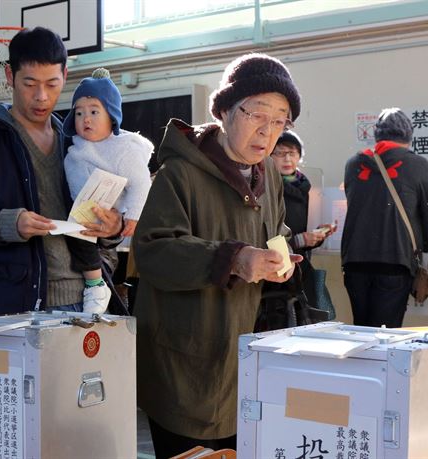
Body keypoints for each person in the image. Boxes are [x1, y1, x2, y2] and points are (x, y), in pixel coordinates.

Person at [133, 53, 303, 457]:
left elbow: (276, 229)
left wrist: (279, 258)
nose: (268, 132)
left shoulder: (269, 177)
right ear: (225, 110)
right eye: (257, 115)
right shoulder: (181, 173)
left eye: (280, 121)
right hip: (185, 364)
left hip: (243, 362)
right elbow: (153, 249)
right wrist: (235, 259)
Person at [0, 27, 123, 318]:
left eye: (52, 83)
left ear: (65, 75)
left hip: (84, 301)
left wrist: (112, 229)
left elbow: (98, 220)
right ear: (10, 76)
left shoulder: (76, 141)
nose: (42, 97)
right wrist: (9, 223)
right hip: (13, 305)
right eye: (30, 83)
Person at [61, 67, 154, 313]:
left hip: (110, 214)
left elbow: (141, 182)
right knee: (77, 234)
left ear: (112, 116)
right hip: (84, 211)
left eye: (93, 111)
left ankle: (96, 286)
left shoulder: (123, 148)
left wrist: (132, 216)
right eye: (79, 113)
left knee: (86, 240)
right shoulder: (74, 150)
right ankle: (97, 285)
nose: (86, 119)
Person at [341, 108, 428, 328]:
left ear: (376, 134)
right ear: (409, 136)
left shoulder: (353, 163)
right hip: (395, 259)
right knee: (386, 335)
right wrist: (427, 250)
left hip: (355, 261)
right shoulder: (417, 164)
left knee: (362, 329)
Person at [256, 131, 336, 331]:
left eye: (292, 153)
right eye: (280, 153)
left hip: (300, 269)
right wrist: (300, 240)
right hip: (274, 272)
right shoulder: (264, 187)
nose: (287, 159)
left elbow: (304, 229)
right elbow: (263, 234)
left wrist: (318, 235)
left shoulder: (306, 187)